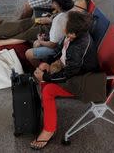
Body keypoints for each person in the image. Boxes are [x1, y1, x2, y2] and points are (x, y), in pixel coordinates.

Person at [31, 11, 99, 150]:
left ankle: (49, 130)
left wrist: (46, 77)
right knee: (44, 72)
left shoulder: (77, 47)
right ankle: (47, 106)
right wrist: (49, 64)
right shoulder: (73, 37)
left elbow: (68, 75)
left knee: (49, 89)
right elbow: (60, 52)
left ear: (73, 33)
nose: (63, 28)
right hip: (77, 74)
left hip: (86, 82)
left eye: (66, 27)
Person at [24, 0, 75, 67]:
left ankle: (42, 71)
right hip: (64, 42)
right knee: (36, 43)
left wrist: (40, 41)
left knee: (29, 53)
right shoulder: (71, 10)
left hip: (59, 49)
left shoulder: (58, 20)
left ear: (55, 3)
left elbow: (52, 45)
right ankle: (44, 63)